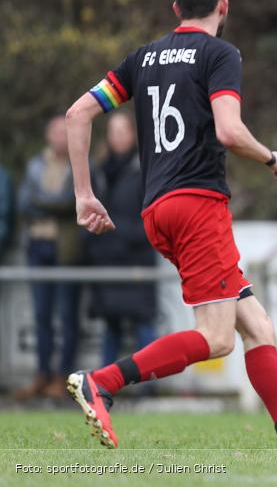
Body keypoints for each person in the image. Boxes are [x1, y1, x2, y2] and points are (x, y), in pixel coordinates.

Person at [63, 0, 277, 471]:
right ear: (224, 6)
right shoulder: (220, 53)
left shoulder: (143, 58)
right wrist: (273, 159)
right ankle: (101, 382)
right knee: (216, 337)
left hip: (157, 209)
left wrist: (84, 194)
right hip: (197, 206)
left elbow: (77, 113)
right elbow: (229, 132)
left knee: (256, 326)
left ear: (175, 9)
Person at [15, 115, 80, 400]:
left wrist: (46, 204)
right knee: (42, 314)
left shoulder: (78, 164)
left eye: (64, 132)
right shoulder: (35, 165)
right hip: (37, 246)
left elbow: (72, 202)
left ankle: (63, 376)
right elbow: (25, 203)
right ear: (47, 136)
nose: (59, 138)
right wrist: (53, 206)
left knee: (67, 314)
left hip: (64, 248)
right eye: (55, 132)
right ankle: (42, 373)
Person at [86, 112, 158, 370]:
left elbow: (152, 218)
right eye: (112, 131)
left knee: (143, 325)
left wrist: (119, 233)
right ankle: (103, 384)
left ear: (133, 134)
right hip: (107, 262)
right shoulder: (98, 171)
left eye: (122, 131)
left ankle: (150, 383)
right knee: (111, 326)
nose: (117, 137)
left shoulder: (146, 168)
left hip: (136, 261)